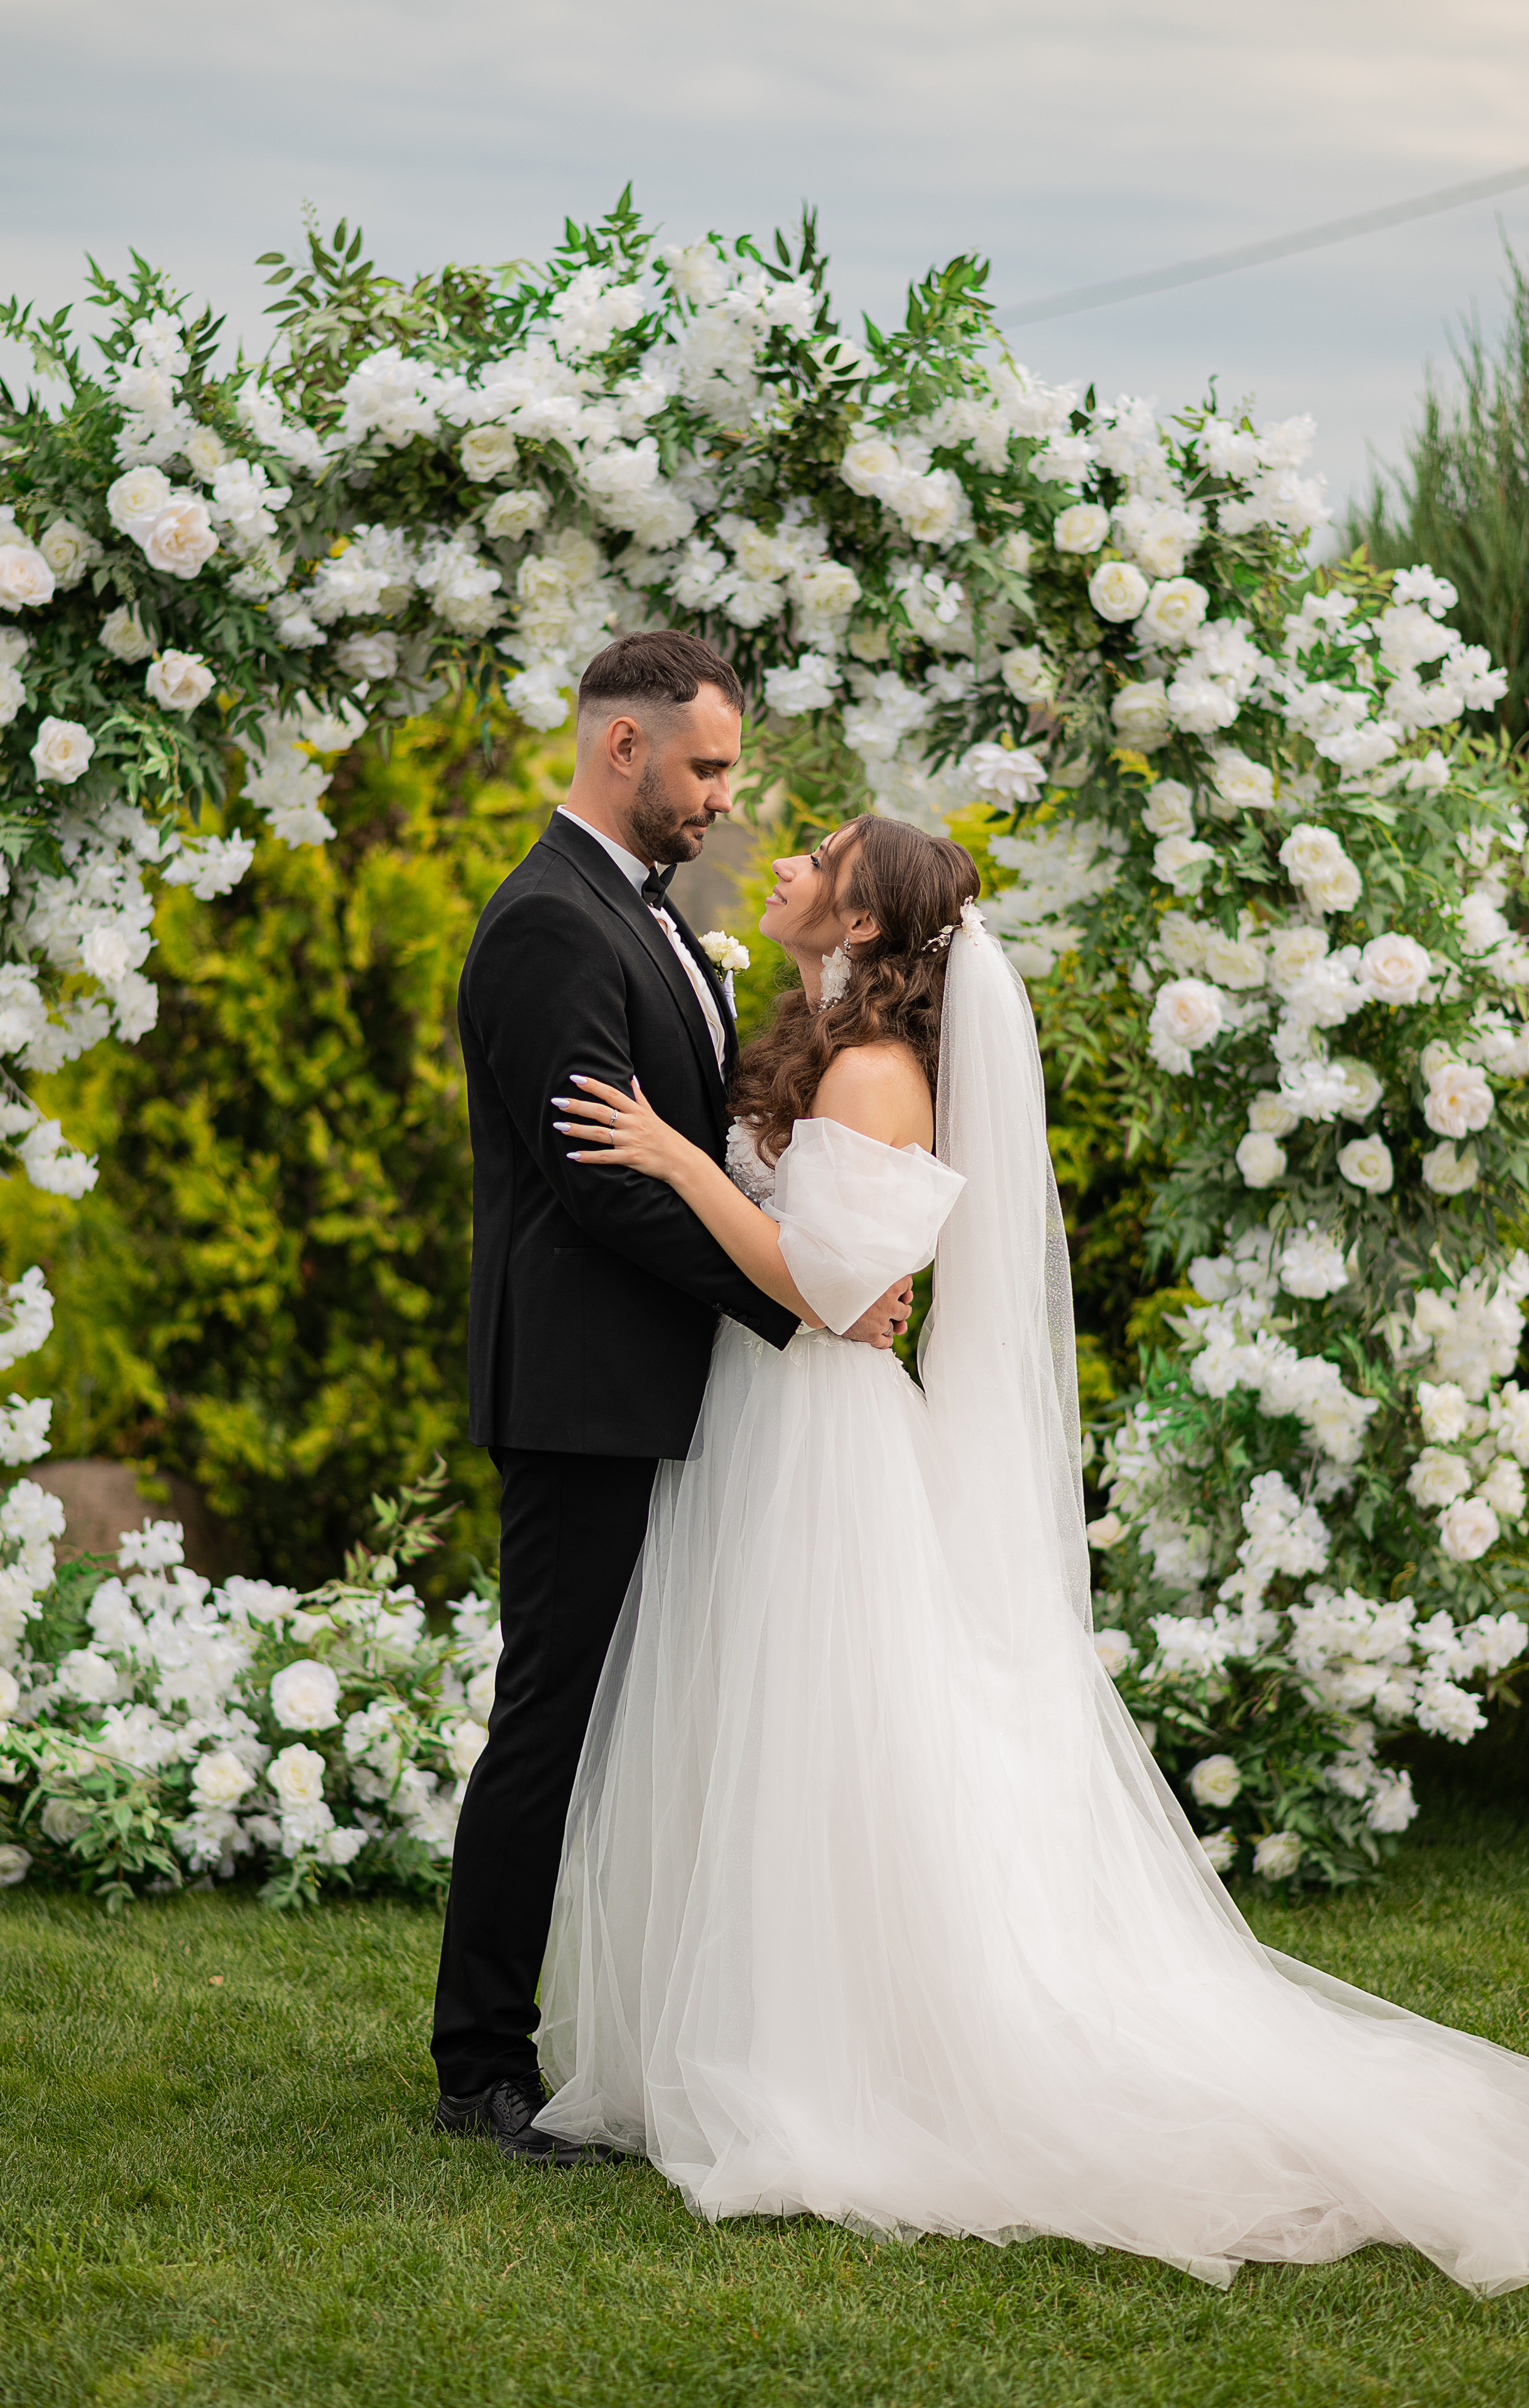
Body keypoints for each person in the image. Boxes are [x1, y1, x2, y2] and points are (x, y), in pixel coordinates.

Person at [535, 812, 1529, 2294]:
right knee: (760, 1733)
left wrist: (683, 1163)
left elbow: (823, 1286)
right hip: (766, 1422)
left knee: (821, 1740)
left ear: (867, 928)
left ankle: (829, 2055)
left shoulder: (876, 1071)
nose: (791, 857)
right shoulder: (820, 1033)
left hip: (817, 1447)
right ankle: (738, 2020)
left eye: (823, 854)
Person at [431, 634, 915, 2163]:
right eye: (704, 768)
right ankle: (481, 2064)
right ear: (621, 749)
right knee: (550, 1722)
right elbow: (600, 1191)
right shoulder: (549, 928)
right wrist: (795, 1297)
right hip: (581, 1390)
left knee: (639, 1718)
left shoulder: (647, 920)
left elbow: (695, 1149)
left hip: (661, 1388)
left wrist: (809, 1265)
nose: (724, 798)